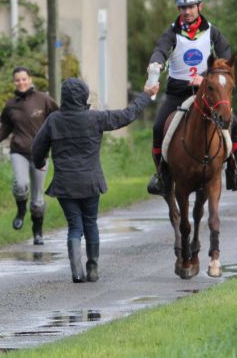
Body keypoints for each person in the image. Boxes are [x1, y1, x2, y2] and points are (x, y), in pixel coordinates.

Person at [32, 78, 159, 283]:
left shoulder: (54, 120)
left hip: (65, 183)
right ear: (83, 96)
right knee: (91, 223)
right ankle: (92, 267)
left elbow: (38, 145)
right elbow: (128, 115)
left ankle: (76, 271)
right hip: (91, 181)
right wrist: (146, 95)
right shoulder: (95, 118)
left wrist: (39, 161)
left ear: (63, 96)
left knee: (75, 226)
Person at [146, 0, 237, 196]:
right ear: (178, 9)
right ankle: (161, 175)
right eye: (182, 7)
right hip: (177, 93)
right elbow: (160, 51)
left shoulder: (212, 31)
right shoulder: (172, 33)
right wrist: (156, 65)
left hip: (206, 92)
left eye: (191, 7)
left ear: (199, 6)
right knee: (158, 127)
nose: (187, 11)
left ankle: (233, 171)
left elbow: (225, 55)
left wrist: (204, 77)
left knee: (234, 123)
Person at [0, 67, 59, 245]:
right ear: (14, 82)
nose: (21, 82)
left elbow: (58, 118)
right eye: (17, 80)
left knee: (37, 200)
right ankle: (20, 212)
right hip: (19, 151)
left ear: (30, 79)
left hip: (41, 154)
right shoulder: (11, 104)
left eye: (24, 79)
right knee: (20, 185)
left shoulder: (43, 100)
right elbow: (6, 126)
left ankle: (37, 232)